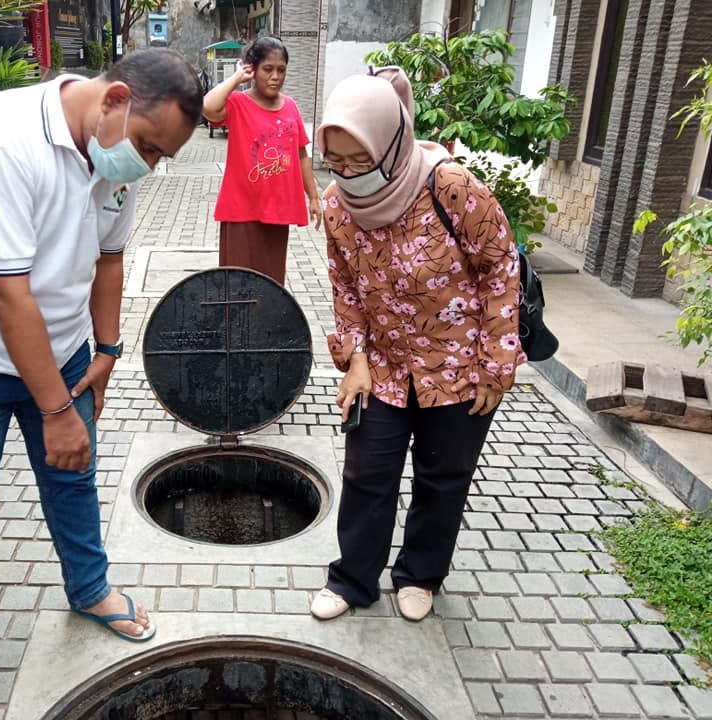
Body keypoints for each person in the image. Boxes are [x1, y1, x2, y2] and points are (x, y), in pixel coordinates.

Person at [0, 48, 202, 720]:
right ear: (115, 98)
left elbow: (109, 256)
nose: (149, 165)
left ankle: (89, 588)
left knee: (72, 480)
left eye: (163, 157)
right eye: (150, 147)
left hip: (64, 352)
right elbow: (8, 296)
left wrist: (106, 347)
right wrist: (58, 413)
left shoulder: (113, 156)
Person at [310, 69, 525, 624]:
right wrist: (354, 360)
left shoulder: (451, 188)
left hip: (458, 365)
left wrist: (497, 363)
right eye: (337, 162)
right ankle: (354, 579)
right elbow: (346, 287)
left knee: (442, 477)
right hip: (381, 365)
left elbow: (500, 265)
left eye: (360, 161)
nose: (349, 176)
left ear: (392, 142)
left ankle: (421, 574)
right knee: (366, 473)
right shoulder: (337, 207)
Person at [202, 36, 321, 285]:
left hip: (278, 210)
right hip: (240, 210)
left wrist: (313, 197)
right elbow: (207, 107)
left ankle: (266, 326)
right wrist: (236, 79)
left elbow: (301, 154)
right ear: (252, 69)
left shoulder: (290, 107)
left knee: (271, 284)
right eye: (267, 69)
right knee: (235, 283)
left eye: (281, 70)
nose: (275, 76)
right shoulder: (238, 102)